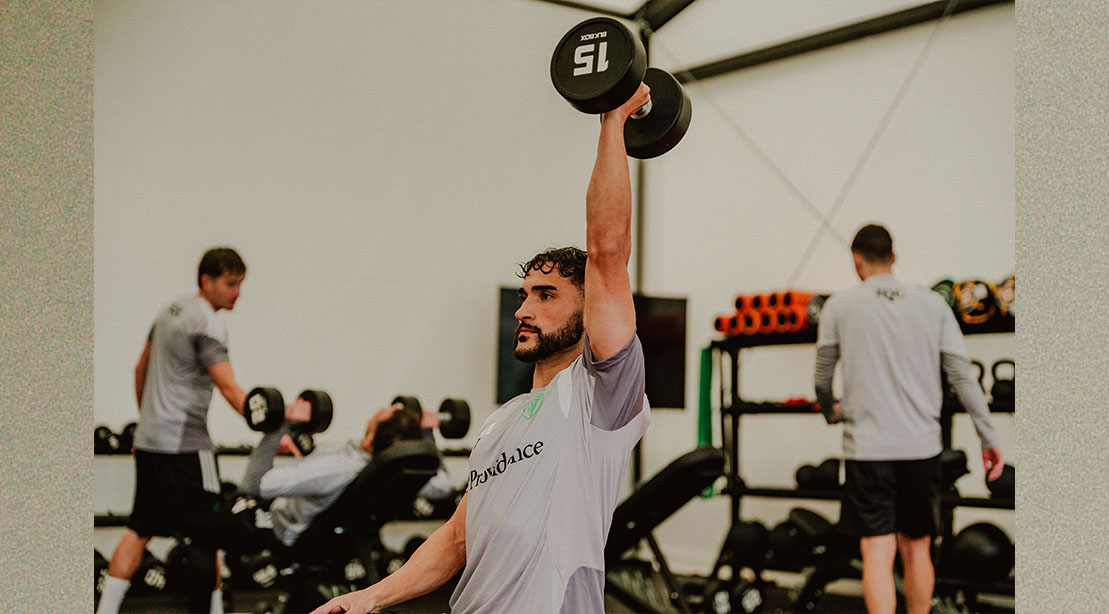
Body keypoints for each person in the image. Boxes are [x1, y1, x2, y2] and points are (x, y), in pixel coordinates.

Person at [309, 84, 654, 614]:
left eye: (546, 296)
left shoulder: (599, 399)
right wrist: (371, 597)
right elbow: (456, 540)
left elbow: (606, 250)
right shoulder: (498, 426)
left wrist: (613, 121)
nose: (523, 310)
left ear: (588, 311)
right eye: (522, 297)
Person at [813, 224, 1005, 614]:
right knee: (917, 549)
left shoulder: (839, 306)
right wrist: (989, 439)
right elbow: (962, 376)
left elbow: (821, 377)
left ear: (856, 260)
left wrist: (829, 408)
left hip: (868, 452)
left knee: (877, 552)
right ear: (894, 257)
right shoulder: (933, 305)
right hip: (920, 449)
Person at [97, 247, 295, 614]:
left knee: (140, 528)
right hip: (188, 447)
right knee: (213, 530)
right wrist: (270, 431)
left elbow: (139, 369)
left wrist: (148, 423)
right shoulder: (207, 322)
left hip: (152, 442)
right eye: (230, 284)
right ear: (207, 281)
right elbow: (229, 386)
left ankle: (104, 610)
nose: (237, 292)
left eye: (240, 284)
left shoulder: (169, 312)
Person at [227, 403, 450, 554]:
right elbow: (443, 486)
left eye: (383, 412)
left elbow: (254, 485)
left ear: (370, 440)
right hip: (332, 540)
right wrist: (428, 435)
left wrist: (278, 425)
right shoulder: (393, 470)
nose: (395, 406)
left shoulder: (340, 468)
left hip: (276, 533)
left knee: (205, 525)